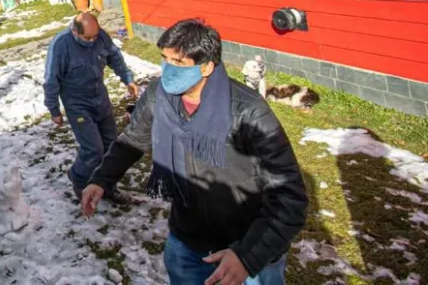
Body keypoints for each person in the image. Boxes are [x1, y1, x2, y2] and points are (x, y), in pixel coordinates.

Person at [81, 19, 308, 285]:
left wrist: (248, 256)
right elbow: (132, 140)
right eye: (165, 59)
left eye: (179, 63)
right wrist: (101, 179)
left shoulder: (248, 112)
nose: (168, 70)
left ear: (207, 67)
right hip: (187, 243)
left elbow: (289, 198)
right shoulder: (158, 95)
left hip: (245, 245)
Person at [44, 11, 139, 201]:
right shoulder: (61, 45)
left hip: (100, 99)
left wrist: (127, 78)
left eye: (96, 35)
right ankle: (79, 180)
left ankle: (107, 187)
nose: (93, 40)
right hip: (77, 104)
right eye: (88, 37)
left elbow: (114, 57)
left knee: (111, 146)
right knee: (93, 149)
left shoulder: (100, 36)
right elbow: (51, 79)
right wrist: (54, 109)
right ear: (75, 31)